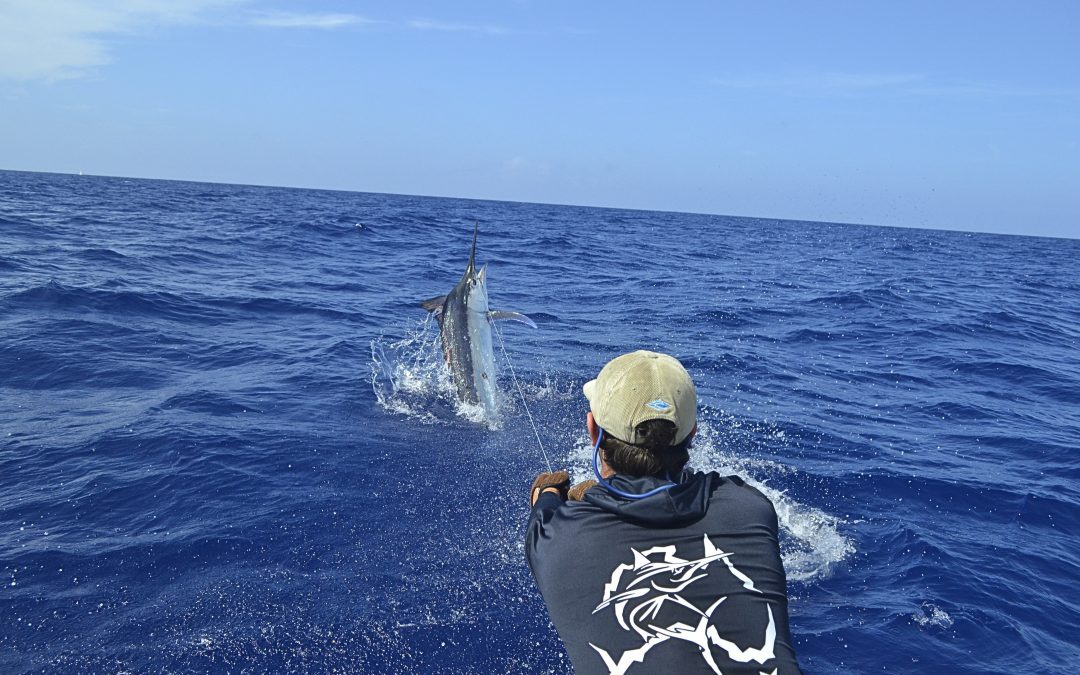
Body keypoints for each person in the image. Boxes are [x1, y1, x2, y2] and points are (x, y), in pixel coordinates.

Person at [525, 350, 802, 674]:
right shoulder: (751, 508)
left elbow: (543, 510)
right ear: (692, 433)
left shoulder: (556, 539)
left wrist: (550, 492)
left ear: (592, 430)